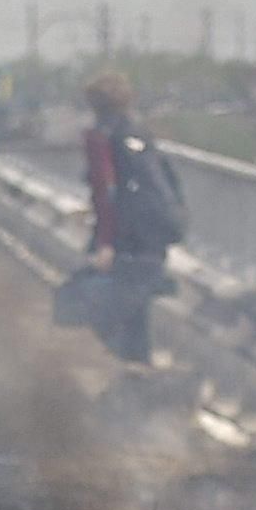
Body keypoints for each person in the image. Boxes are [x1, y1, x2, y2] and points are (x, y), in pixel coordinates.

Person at [71, 70, 182, 363]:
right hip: (154, 239)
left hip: (125, 242)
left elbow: (107, 192)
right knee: (135, 310)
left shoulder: (101, 138)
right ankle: (139, 373)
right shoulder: (140, 135)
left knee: (86, 303)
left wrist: (106, 243)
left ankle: (130, 376)